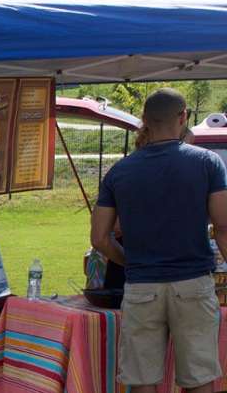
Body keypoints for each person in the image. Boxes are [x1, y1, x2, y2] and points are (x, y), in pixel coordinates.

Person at [92, 88, 227, 393]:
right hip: (193, 282)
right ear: (184, 117)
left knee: (142, 380)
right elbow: (223, 226)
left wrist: (132, 261)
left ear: (145, 121)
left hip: (142, 285)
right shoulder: (208, 163)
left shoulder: (120, 170)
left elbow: (100, 238)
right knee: (200, 379)